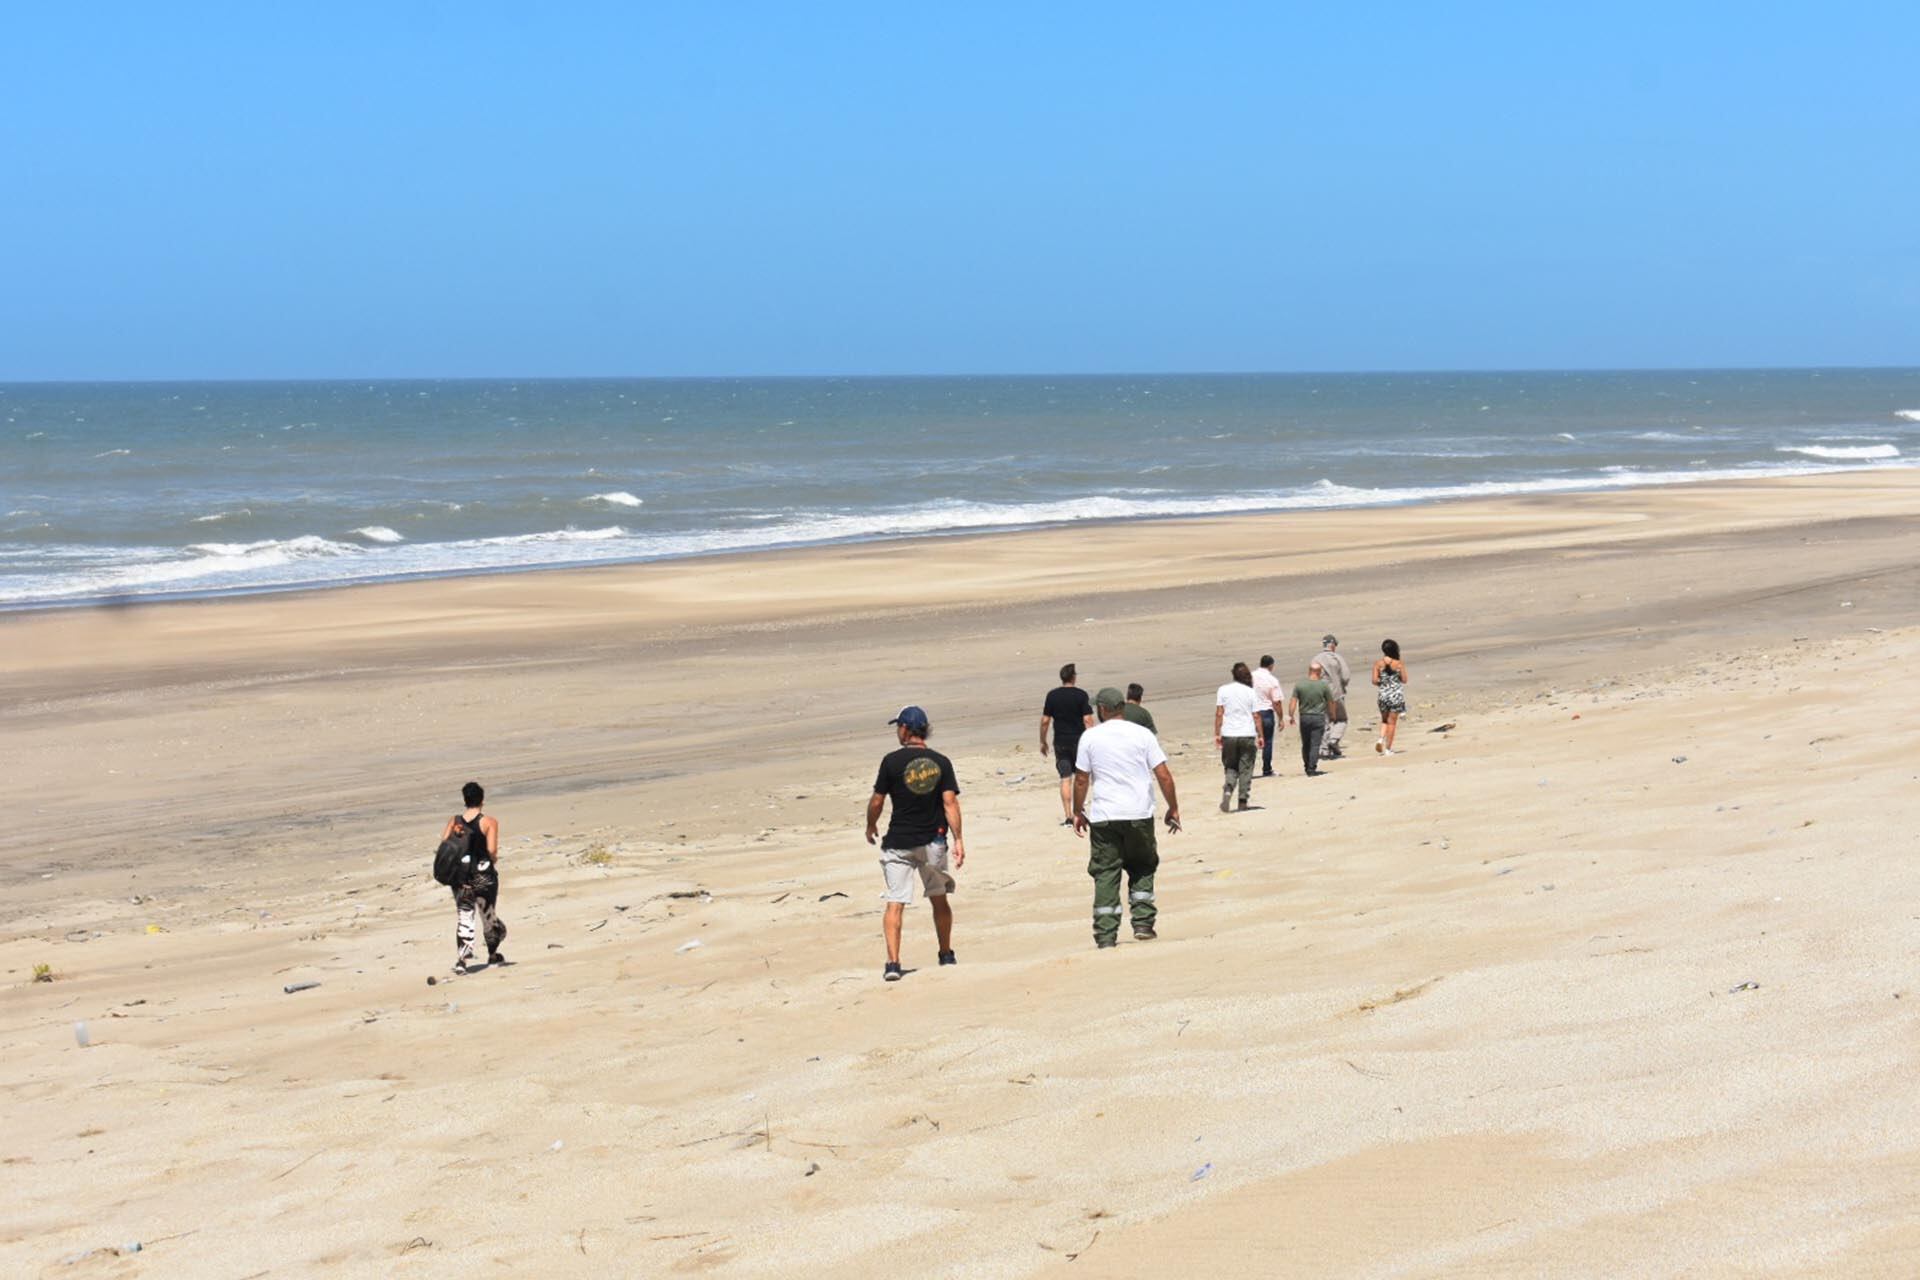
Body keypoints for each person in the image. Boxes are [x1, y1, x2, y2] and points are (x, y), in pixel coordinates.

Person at [1073, 687, 1181, 948]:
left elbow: (1081, 779)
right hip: (1138, 813)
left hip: (1104, 816)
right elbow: (1163, 774)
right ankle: (1143, 922)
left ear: (1103, 709)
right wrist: (1173, 807)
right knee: (1142, 865)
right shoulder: (1143, 734)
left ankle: (1106, 934)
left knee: (1105, 872)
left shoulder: (1090, 737)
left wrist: (1077, 811)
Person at [867, 706, 965, 982]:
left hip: (899, 841)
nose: (898, 731)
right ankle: (946, 954)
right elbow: (950, 803)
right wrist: (958, 839)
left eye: (899, 727)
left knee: (895, 901)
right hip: (933, 840)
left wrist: (870, 824)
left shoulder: (891, 762)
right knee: (939, 898)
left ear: (907, 729)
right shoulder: (941, 762)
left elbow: (877, 800)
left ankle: (893, 963)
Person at [438, 781, 507, 974]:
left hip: (460, 876)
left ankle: (462, 961)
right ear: (482, 800)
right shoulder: (489, 822)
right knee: (487, 913)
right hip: (483, 874)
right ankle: (493, 956)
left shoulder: (454, 821)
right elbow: (492, 851)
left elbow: (444, 844)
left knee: (465, 915)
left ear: (465, 800)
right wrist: (488, 860)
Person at [1040, 664, 1094, 825]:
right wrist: (1093, 739)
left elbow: (1045, 721)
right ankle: (1079, 812)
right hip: (1079, 741)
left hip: (1061, 742)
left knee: (1065, 777)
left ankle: (1069, 816)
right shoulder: (1081, 695)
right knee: (1081, 777)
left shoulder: (1052, 696)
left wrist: (1043, 741)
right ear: (1073, 677)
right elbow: (1088, 720)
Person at [1213, 662, 1265, 812]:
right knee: (1246, 768)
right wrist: (1261, 735)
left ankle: (1229, 787)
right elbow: (1256, 716)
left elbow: (1219, 713)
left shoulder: (1223, 690)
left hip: (1229, 734)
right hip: (1247, 734)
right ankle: (1242, 801)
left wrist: (1217, 733)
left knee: (1231, 766)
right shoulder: (1250, 692)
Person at [1287, 659, 1334, 777]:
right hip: (1318, 717)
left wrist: (1291, 715)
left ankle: (1306, 765)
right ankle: (1312, 768)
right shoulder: (1324, 685)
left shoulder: (1300, 684)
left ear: (1309, 671)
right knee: (1315, 744)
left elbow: (1293, 702)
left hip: (1304, 717)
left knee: (1306, 744)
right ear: (1319, 672)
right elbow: (1331, 702)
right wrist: (1333, 715)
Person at [1314, 635, 1353, 759]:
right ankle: (1333, 740)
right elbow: (1346, 676)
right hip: (1336, 694)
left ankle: (1323, 749)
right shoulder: (1337, 658)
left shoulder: (1316, 659)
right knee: (1341, 719)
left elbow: (1312, 676)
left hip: (1320, 694)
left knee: (1325, 721)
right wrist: (1341, 684)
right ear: (1333, 645)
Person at [1373, 639, 1409, 754]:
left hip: (1382, 695)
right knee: (1392, 723)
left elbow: (1374, 681)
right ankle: (1388, 748)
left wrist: (1383, 683)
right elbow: (1404, 680)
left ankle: (1380, 739)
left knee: (1384, 720)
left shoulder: (1378, 664)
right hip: (1395, 696)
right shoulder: (1398, 663)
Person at [1252, 655, 1285, 776]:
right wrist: (1281, 718)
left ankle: (1245, 769)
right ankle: (1266, 769)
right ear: (1271, 665)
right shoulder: (1272, 680)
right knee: (1267, 742)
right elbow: (1276, 702)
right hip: (1265, 712)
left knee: (1250, 741)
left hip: (1251, 712)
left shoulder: (1250, 676)